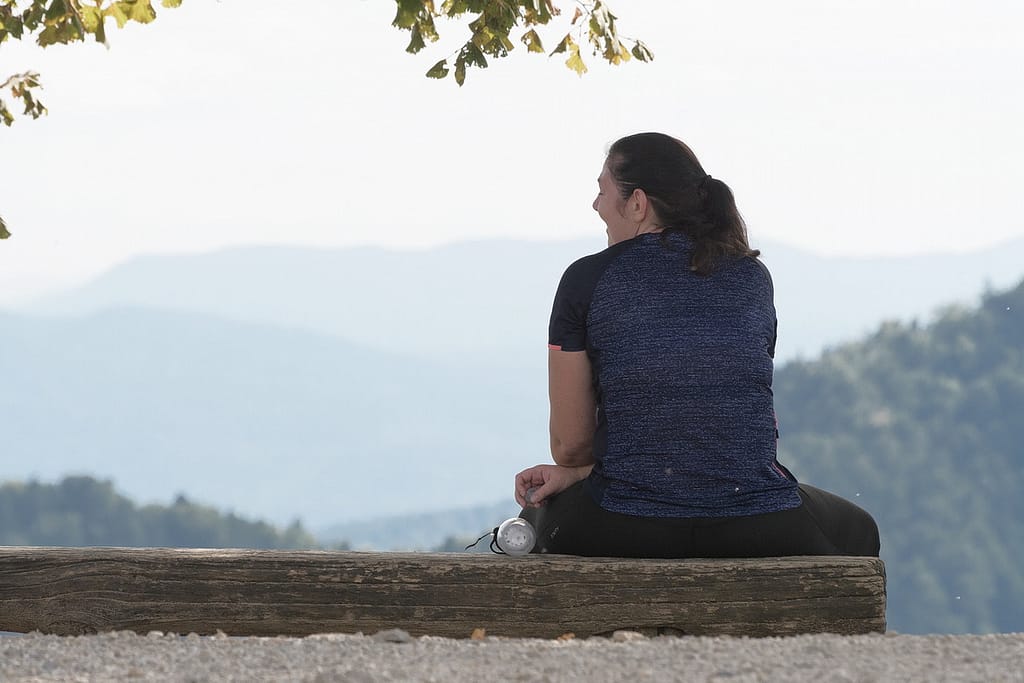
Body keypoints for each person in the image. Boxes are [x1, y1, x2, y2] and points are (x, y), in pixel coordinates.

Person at [514, 132, 879, 558]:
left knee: (533, 518)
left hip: (622, 523)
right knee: (859, 530)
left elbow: (571, 447)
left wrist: (578, 475)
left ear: (638, 203)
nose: (596, 205)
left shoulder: (586, 279)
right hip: (759, 523)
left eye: (602, 191)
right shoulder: (751, 277)